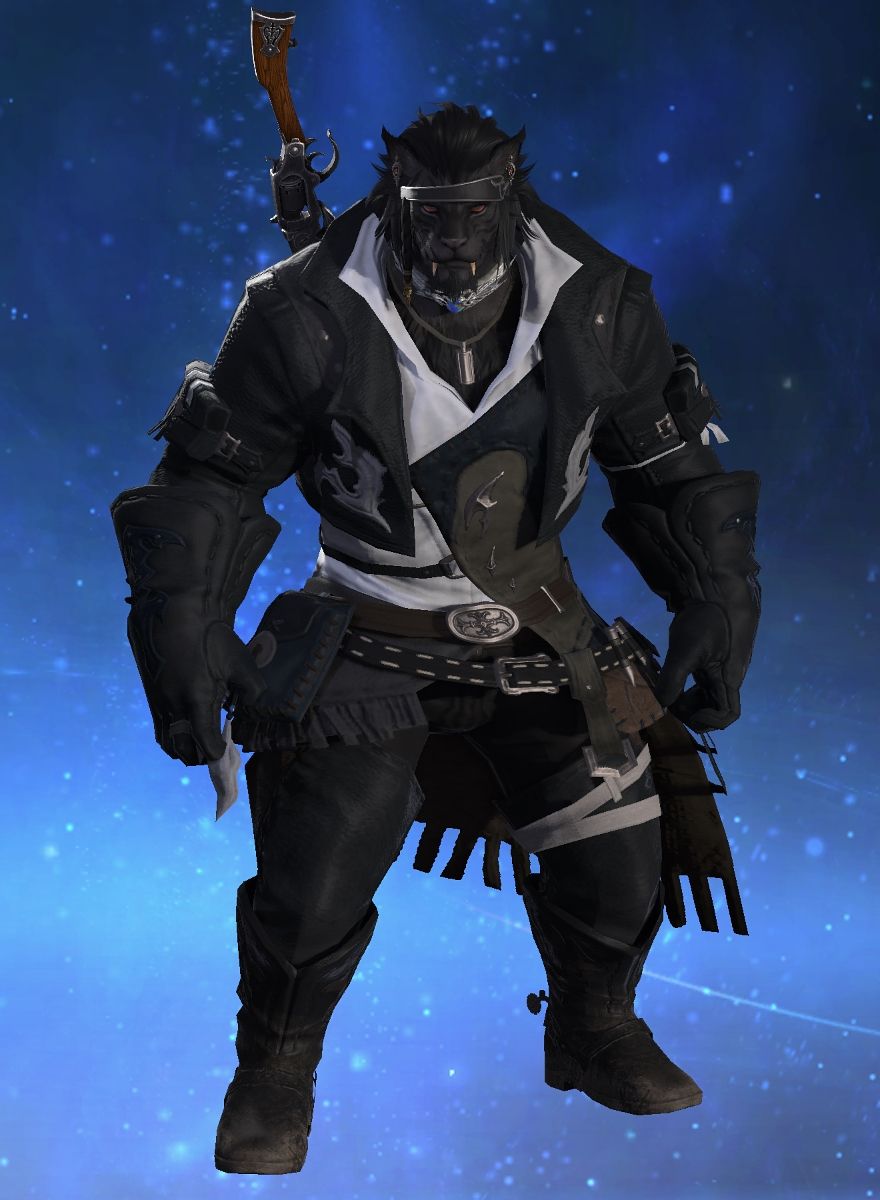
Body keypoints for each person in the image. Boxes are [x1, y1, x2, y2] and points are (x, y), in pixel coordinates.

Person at [110, 102, 761, 1175]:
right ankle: (274, 1072)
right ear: (395, 204)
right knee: (318, 869)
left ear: (509, 201)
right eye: (433, 216)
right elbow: (205, 485)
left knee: (619, 850)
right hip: (366, 622)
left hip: (541, 628)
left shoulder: (598, 303)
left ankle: (595, 1027)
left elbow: (665, 468)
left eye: (474, 214)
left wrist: (717, 598)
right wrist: (182, 632)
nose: (453, 241)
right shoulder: (301, 309)